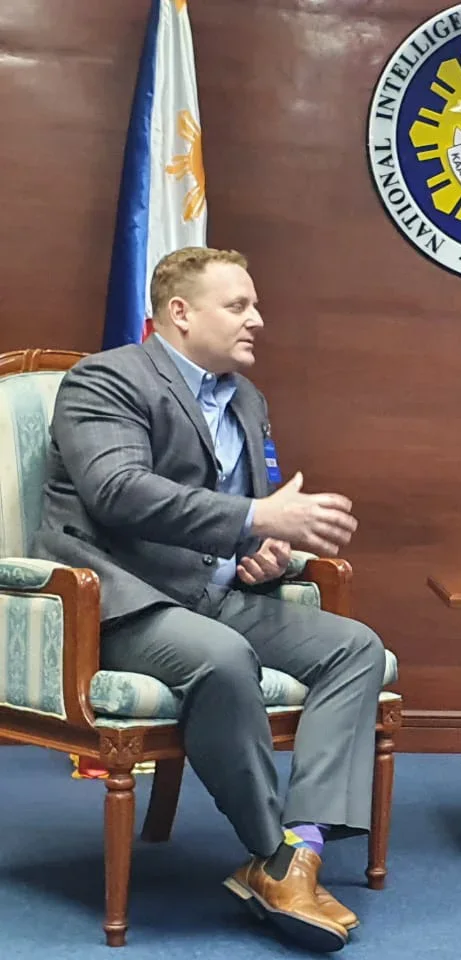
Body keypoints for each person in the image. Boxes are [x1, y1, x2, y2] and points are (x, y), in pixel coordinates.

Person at [32, 246, 385, 953]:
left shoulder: (247, 398)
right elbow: (118, 491)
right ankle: (273, 857)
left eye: (254, 306)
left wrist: (261, 549)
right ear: (181, 313)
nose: (258, 320)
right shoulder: (105, 380)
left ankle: (301, 844)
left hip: (212, 590)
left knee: (356, 647)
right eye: (239, 306)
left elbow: (233, 512)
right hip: (120, 598)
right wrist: (256, 519)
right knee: (225, 658)